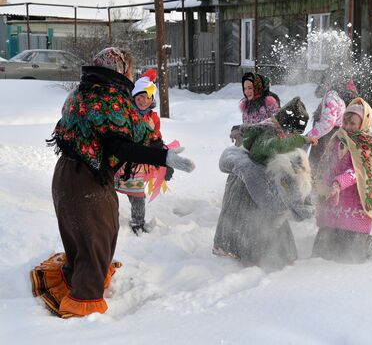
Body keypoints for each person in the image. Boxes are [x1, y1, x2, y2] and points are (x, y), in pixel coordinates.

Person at [30, 47, 195, 318]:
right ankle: (84, 305)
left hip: (65, 174)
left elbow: (126, 132)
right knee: (98, 235)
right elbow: (119, 145)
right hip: (87, 180)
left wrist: (157, 148)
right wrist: (162, 156)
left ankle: (75, 274)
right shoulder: (108, 98)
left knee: (79, 235)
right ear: (119, 69)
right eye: (128, 68)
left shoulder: (81, 92)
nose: (130, 74)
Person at [213, 97, 316, 270]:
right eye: (293, 132)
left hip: (266, 184)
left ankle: (283, 254)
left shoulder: (282, 135)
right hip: (248, 185)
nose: (293, 136)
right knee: (251, 220)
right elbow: (265, 150)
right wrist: (300, 141)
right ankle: (247, 254)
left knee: (276, 216)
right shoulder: (269, 131)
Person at [312, 98, 372, 263]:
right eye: (346, 122)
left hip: (354, 199)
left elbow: (359, 172)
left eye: (353, 123)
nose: (348, 127)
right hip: (333, 198)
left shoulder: (369, 144)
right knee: (326, 240)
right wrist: (324, 184)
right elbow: (329, 165)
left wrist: (338, 183)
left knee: (351, 244)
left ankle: (366, 248)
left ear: (364, 122)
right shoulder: (337, 139)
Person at [114, 68, 174, 235]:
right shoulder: (126, 113)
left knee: (138, 196)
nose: (143, 101)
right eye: (140, 97)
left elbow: (156, 138)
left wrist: (164, 160)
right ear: (134, 97)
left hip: (139, 165)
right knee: (110, 192)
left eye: (148, 98)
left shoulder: (152, 118)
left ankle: (138, 222)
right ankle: (109, 218)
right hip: (121, 160)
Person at [307, 78, 347, 171]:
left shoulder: (331, 97)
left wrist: (310, 136)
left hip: (325, 136)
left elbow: (328, 122)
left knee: (316, 164)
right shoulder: (336, 96)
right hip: (332, 134)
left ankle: (314, 183)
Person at [230, 72, 280, 146]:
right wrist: (238, 130)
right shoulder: (246, 106)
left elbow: (276, 123)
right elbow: (248, 126)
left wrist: (249, 128)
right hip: (251, 145)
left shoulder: (269, 103)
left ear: (257, 87)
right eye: (245, 88)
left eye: (250, 88)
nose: (246, 91)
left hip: (268, 144)